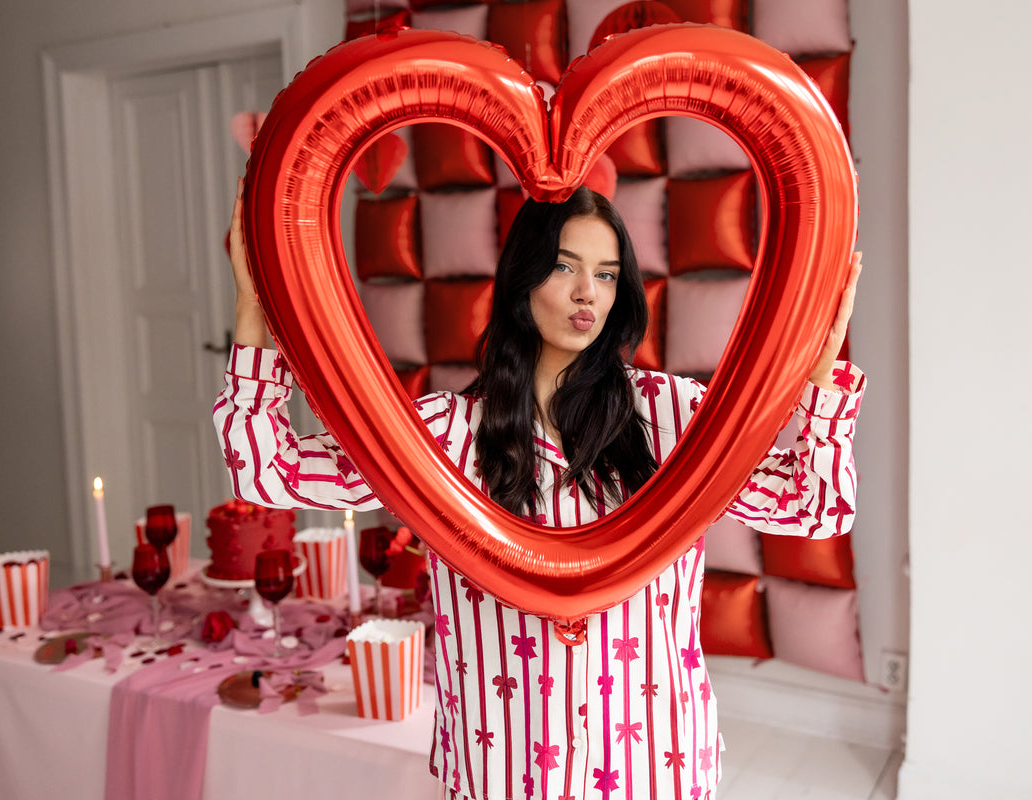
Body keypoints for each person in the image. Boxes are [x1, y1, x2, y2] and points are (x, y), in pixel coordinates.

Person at [215, 177, 865, 800]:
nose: (588, 292)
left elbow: (816, 506)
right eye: (564, 267)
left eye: (606, 273)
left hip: (653, 768)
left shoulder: (672, 417)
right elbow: (269, 470)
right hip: (503, 769)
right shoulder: (444, 435)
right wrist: (251, 311)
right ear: (522, 280)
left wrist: (823, 384)